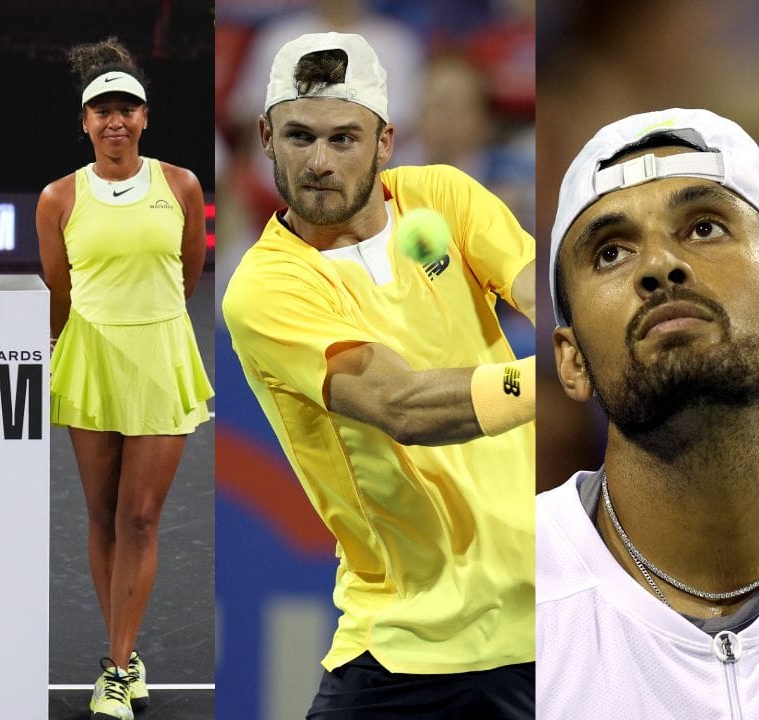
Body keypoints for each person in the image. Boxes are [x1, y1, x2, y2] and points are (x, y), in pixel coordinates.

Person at [539, 108, 759, 718]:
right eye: (609, 253)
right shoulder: (488, 612)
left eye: (704, 228)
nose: (658, 266)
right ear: (571, 360)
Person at [222, 32, 536, 719]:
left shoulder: (442, 197)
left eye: (344, 139)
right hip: (407, 647)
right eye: (299, 136)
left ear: (385, 141)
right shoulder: (264, 288)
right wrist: (564, 372)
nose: (319, 161)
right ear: (265, 138)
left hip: (547, 620)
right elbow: (403, 407)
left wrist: (598, 328)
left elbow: (550, 293)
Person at [36, 37, 213, 720]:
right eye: (102, 111)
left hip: (161, 356)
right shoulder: (57, 197)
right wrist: (61, 348)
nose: (115, 121)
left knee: (141, 515)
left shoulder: (182, 185)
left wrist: (152, 318)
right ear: (85, 122)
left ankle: (115, 669)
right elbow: (60, 288)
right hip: (89, 357)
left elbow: (190, 272)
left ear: (145, 118)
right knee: (104, 514)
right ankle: (126, 651)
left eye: (126, 110)